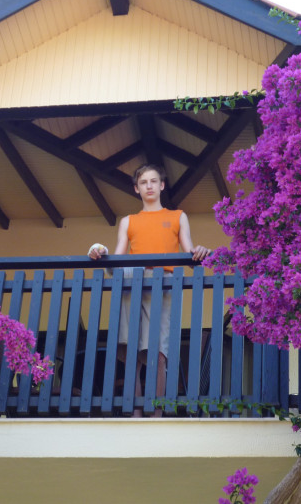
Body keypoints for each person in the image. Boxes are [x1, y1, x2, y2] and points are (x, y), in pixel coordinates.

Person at [88, 164, 211, 416]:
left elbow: (189, 251)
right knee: (131, 347)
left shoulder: (178, 216)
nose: (149, 186)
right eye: (143, 182)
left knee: (159, 349)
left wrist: (200, 251)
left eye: (154, 181)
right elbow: (117, 258)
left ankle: (157, 413)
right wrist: (101, 252)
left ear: (162, 185)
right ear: (137, 189)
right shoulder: (128, 221)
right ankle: (135, 411)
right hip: (132, 280)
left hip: (164, 282)